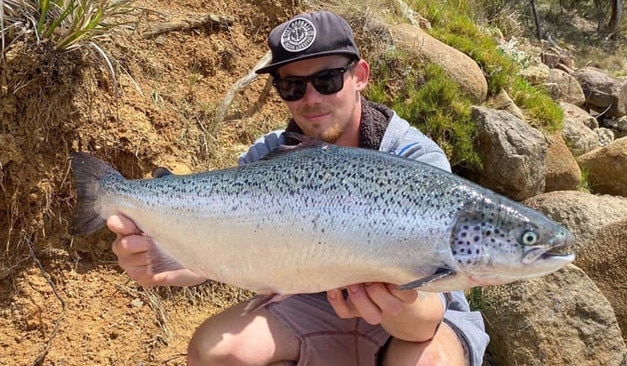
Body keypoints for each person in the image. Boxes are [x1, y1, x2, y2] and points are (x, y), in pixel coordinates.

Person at [107, 10, 488, 366]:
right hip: (310, 304)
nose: (311, 99)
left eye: (326, 80)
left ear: (360, 76)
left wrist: (399, 304)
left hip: (416, 320)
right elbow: (228, 247)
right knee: (216, 351)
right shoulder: (267, 156)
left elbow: (424, 323)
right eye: (292, 86)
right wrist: (168, 260)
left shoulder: (412, 157)